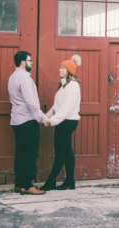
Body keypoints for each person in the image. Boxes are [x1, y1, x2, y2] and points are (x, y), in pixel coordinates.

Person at [8, 51, 47, 195]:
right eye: (30, 60)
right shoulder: (24, 78)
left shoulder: (13, 77)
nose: (32, 63)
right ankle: (27, 185)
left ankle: (19, 184)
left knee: (20, 152)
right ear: (23, 62)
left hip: (17, 120)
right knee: (30, 153)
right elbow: (31, 101)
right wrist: (42, 118)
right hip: (27, 120)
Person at [40, 54, 82, 191]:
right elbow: (56, 106)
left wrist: (52, 121)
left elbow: (66, 108)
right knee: (67, 151)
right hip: (63, 121)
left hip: (67, 122)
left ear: (69, 71)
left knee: (60, 153)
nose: (59, 70)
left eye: (62, 68)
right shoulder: (64, 85)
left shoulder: (73, 86)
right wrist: (46, 117)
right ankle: (70, 181)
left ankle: (50, 182)